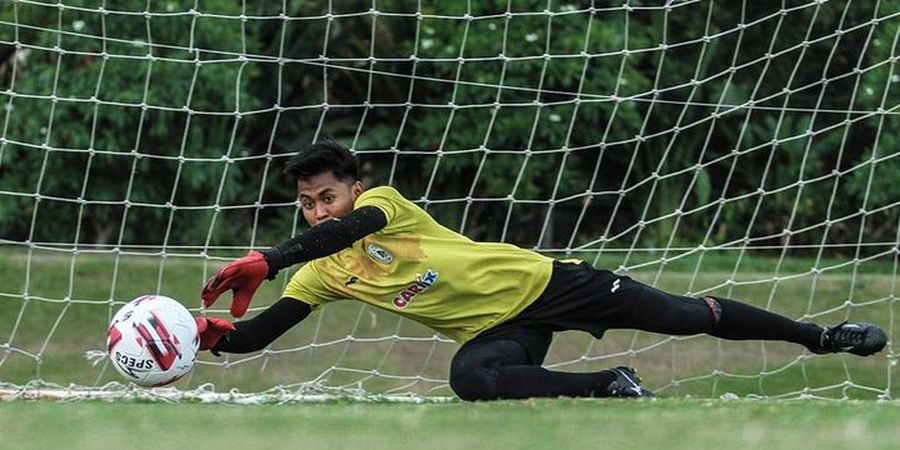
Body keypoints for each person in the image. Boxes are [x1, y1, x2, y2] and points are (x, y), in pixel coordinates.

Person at [196, 140, 888, 400]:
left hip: (549, 282)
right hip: (504, 326)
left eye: (327, 196)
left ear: (352, 188)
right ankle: (609, 388)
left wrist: (267, 256)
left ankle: (822, 336)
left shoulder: (382, 206)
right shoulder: (319, 274)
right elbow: (258, 338)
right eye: (307, 203)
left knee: (683, 318)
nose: (320, 212)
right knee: (472, 378)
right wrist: (207, 336)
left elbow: (350, 232)